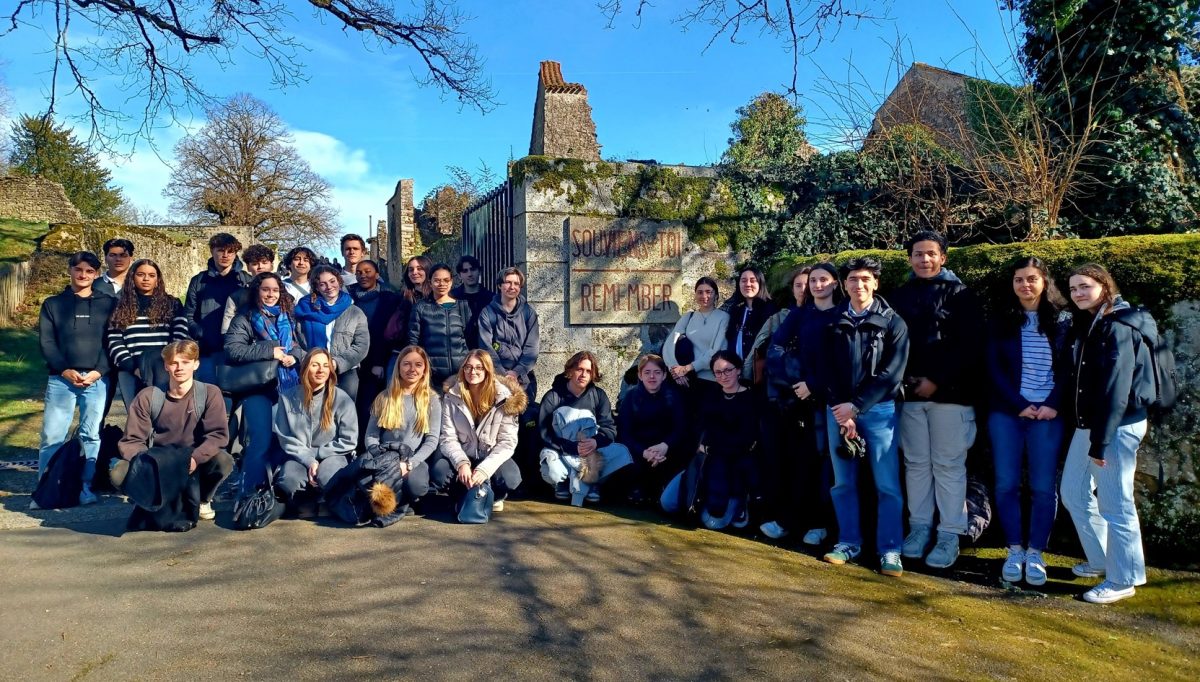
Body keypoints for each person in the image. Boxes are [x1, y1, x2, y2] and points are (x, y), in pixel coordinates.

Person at [1061, 264, 1158, 604]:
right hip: (1091, 424)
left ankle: (1123, 579)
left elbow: (1117, 388)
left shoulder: (1119, 325)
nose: (1078, 293)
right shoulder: (1094, 322)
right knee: (1073, 491)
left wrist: (1100, 441)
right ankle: (1102, 559)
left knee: (1116, 504)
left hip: (1115, 426)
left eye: (1085, 286)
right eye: (1073, 288)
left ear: (1104, 285)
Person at [888, 230, 983, 570]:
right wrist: (907, 379)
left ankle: (950, 534)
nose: (924, 260)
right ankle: (919, 528)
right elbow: (894, 343)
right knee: (915, 464)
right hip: (910, 396)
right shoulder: (900, 295)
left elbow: (970, 347)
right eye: (917, 254)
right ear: (910, 258)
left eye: (931, 254)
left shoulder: (961, 295)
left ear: (943, 257)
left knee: (948, 465)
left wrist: (937, 382)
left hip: (951, 398)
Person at [819, 257, 910, 578]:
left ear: (876, 283)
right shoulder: (832, 322)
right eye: (853, 279)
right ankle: (848, 542)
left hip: (880, 411)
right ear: (844, 285)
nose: (859, 285)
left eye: (865, 279)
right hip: (838, 412)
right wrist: (842, 410)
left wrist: (855, 407)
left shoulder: (893, 322)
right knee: (843, 483)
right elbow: (825, 369)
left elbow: (892, 374)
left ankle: (890, 549)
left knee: (887, 484)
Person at [986, 256, 1070, 586]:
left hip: (1048, 415)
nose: (1025, 285)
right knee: (1006, 483)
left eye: (1032, 278)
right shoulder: (1002, 320)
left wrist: (1052, 404)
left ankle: (1036, 551)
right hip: (1007, 413)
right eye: (1019, 279)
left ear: (1044, 281)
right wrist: (1019, 404)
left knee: (1042, 487)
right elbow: (993, 368)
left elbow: (1069, 369)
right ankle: (1014, 549)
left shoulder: (1063, 320)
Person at [761, 262, 843, 544]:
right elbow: (776, 347)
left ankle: (823, 524)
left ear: (834, 283)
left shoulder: (843, 314)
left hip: (833, 400)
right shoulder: (800, 314)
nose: (817, 285)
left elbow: (844, 361)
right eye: (813, 281)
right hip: (802, 401)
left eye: (823, 280)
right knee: (802, 462)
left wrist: (815, 384)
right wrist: (796, 380)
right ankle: (793, 520)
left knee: (829, 465)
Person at [114, 340, 232, 525]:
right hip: (159, 461)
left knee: (223, 460)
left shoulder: (210, 393)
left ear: (196, 364)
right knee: (118, 472)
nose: (179, 368)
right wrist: (148, 465)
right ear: (166, 366)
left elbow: (217, 435)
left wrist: (196, 458)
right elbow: (131, 441)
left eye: (185, 362)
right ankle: (148, 498)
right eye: (174, 363)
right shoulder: (148, 396)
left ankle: (202, 499)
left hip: (194, 461)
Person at [33, 251, 116, 509]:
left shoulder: (108, 303)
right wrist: (64, 369)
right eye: (78, 270)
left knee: (91, 435)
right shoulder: (53, 304)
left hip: (96, 380)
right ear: (70, 270)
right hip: (61, 380)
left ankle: (85, 486)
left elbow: (112, 341)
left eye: (89, 271)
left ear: (96, 274)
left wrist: (99, 371)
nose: (83, 275)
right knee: (52, 436)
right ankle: (46, 489)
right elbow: (47, 342)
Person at [660, 351, 761, 529]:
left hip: (732, 464)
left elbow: (745, 439)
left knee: (713, 522)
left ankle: (739, 499)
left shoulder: (751, 399)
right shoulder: (711, 395)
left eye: (728, 370)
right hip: (704, 461)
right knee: (668, 503)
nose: (724, 376)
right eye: (718, 372)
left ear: (738, 370)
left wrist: (713, 448)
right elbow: (698, 428)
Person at [224, 272, 307, 488]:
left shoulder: (288, 316)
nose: (271, 294)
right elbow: (233, 350)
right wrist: (271, 351)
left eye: (275, 290)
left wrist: (293, 356)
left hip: (289, 386)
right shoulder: (245, 317)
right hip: (258, 388)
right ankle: (252, 488)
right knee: (259, 441)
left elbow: (299, 346)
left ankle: (279, 486)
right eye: (265, 289)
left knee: (286, 439)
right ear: (257, 291)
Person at [756, 266, 813, 540]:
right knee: (778, 462)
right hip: (779, 399)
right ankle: (781, 518)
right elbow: (772, 351)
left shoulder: (824, 317)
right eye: (799, 285)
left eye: (809, 284)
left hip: (810, 401)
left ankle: (807, 521)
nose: (804, 289)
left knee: (807, 465)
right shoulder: (784, 317)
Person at [434, 350, 527, 516]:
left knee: (511, 477)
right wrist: (461, 463)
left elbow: (507, 442)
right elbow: (448, 437)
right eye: (468, 367)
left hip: (490, 456)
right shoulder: (452, 396)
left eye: (479, 367)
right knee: (439, 472)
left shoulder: (505, 398)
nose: (473, 372)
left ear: (488, 370)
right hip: (464, 455)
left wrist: (485, 469)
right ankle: (464, 494)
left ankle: (494, 495)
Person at [537, 351, 633, 506]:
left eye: (588, 371)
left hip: (591, 454)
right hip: (562, 451)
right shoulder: (553, 396)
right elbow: (544, 433)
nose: (583, 374)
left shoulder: (599, 396)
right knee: (552, 471)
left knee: (622, 453)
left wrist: (595, 442)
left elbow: (609, 428)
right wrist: (572, 447)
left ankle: (594, 481)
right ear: (570, 370)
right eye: (579, 369)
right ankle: (561, 483)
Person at [272, 349, 359, 511]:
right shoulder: (287, 398)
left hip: (333, 455)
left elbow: (349, 440)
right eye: (315, 365)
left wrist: (316, 455)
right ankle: (306, 499)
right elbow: (286, 438)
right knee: (288, 481)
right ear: (305, 368)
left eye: (326, 366)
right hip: (299, 456)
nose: (321, 370)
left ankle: (332, 500)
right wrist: (308, 459)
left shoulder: (342, 399)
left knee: (327, 477)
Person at [362, 345, 441, 517]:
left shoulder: (432, 400)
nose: (412, 369)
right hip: (384, 457)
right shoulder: (384, 397)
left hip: (413, 459)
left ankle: (406, 500)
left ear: (425, 369)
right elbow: (371, 436)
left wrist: (410, 463)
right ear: (398, 367)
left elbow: (432, 440)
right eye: (406, 364)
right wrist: (380, 459)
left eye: (418, 364)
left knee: (417, 485)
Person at [105, 258, 190, 408]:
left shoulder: (172, 304)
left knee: (167, 413)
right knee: (137, 416)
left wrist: (170, 363)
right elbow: (114, 339)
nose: (146, 279)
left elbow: (180, 334)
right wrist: (132, 367)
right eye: (141, 274)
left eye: (151, 275)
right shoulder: (119, 305)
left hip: (164, 369)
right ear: (132, 277)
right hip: (131, 370)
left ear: (158, 279)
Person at [618, 354, 687, 505]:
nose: (652, 377)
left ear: (664, 375)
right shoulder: (631, 397)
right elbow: (624, 433)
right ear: (640, 375)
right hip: (639, 450)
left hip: (666, 450)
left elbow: (680, 427)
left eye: (657, 372)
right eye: (647, 372)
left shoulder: (674, 397)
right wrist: (644, 452)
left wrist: (665, 446)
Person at [183, 233, 251, 384]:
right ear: (212, 251)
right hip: (207, 350)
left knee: (235, 394)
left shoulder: (246, 280)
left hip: (238, 349)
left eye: (230, 251)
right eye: (221, 250)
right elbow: (188, 314)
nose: (225, 255)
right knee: (208, 393)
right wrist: (201, 333)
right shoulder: (199, 281)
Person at [295, 264, 369, 401]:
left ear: (339, 281)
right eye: (322, 284)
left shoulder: (355, 312)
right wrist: (309, 360)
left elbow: (361, 345)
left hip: (345, 370)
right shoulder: (305, 309)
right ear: (316, 287)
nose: (329, 287)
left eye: (332, 281)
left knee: (344, 414)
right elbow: (294, 339)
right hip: (312, 369)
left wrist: (336, 363)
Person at [351, 259, 401, 432]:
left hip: (378, 360)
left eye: (368, 271)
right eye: (359, 272)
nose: (363, 275)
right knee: (356, 406)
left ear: (377, 275)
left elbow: (387, 334)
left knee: (374, 406)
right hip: (354, 361)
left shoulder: (389, 299)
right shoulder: (349, 298)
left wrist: (378, 362)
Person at [477, 266, 540, 401]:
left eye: (516, 283)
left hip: (523, 377)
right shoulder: (487, 313)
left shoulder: (529, 313)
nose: (512, 287)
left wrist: (516, 372)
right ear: (500, 285)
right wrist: (503, 374)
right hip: (496, 377)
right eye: (508, 282)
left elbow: (532, 348)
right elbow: (485, 346)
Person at [407, 263, 471, 388]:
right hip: (431, 376)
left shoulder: (463, 307)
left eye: (446, 280)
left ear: (452, 282)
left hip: (461, 375)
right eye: (437, 280)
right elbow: (413, 341)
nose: (442, 284)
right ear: (430, 283)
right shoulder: (421, 307)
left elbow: (470, 340)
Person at [663, 277, 730, 395]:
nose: (704, 296)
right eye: (700, 292)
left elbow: (717, 351)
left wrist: (687, 368)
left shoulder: (723, 318)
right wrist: (675, 370)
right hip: (686, 380)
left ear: (716, 294)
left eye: (708, 292)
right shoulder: (688, 317)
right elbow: (670, 344)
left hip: (711, 381)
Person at [724, 266, 777, 382]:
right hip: (735, 375)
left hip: (759, 375)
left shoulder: (770, 310)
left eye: (752, 280)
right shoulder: (736, 310)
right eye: (743, 280)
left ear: (760, 283)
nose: (747, 284)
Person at [382, 254, 433, 369]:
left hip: (430, 355)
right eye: (411, 270)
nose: (414, 272)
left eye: (419, 269)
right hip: (401, 353)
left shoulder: (436, 298)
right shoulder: (400, 298)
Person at [221, 244, 276, 333]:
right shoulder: (237, 297)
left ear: (271, 265)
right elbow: (226, 330)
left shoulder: (283, 293)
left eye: (264, 262)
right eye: (255, 263)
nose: (260, 267)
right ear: (248, 267)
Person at [452, 255, 493, 347]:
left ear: (479, 271)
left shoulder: (491, 299)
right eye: (465, 271)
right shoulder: (452, 298)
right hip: (459, 350)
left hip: (485, 350)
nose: (470, 274)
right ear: (459, 275)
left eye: (473, 269)